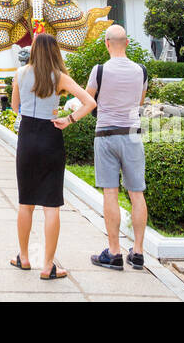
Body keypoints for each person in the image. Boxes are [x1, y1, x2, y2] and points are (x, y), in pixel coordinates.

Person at [10, 32, 96, 281]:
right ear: (54, 51)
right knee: (51, 204)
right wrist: (68, 119)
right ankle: (48, 266)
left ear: (34, 50)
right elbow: (89, 102)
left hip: (27, 136)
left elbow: (16, 108)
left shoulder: (20, 74)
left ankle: (24, 258)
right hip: (51, 136)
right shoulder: (59, 77)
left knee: (26, 202)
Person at [86, 24, 149, 270]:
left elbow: (89, 100)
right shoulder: (141, 71)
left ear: (106, 43)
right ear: (127, 43)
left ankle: (114, 252)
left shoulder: (100, 70)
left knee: (110, 193)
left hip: (106, 135)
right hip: (133, 135)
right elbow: (140, 100)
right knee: (136, 194)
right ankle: (138, 252)